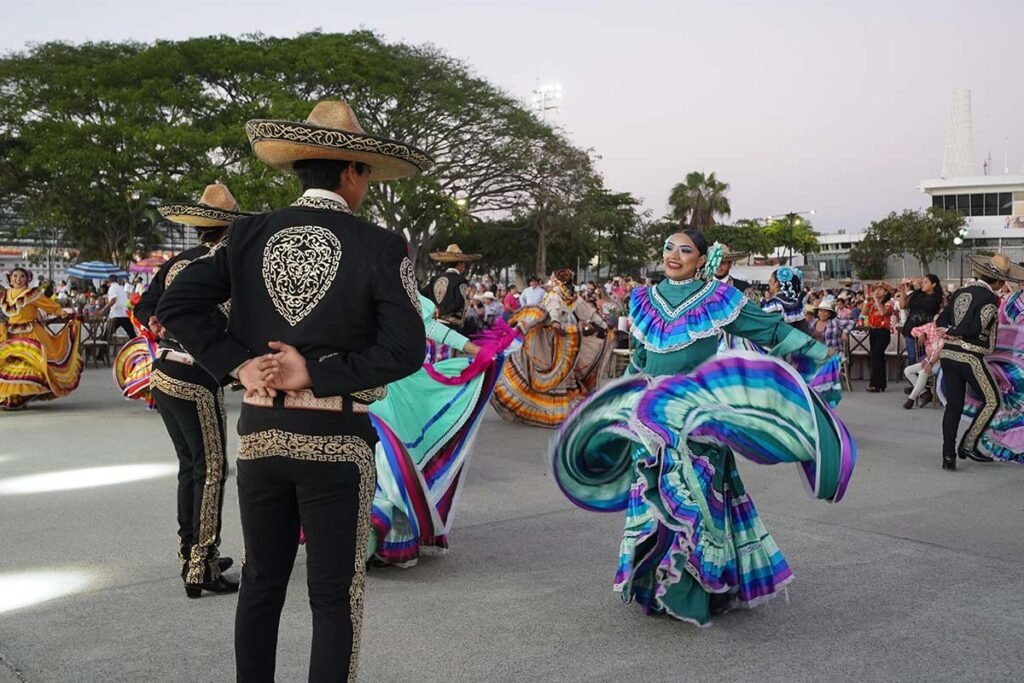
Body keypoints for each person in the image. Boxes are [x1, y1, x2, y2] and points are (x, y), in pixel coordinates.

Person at [157, 100, 429, 681]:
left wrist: (239, 366)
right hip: (334, 439)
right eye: (366, 176)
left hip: (261, 436)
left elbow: (175, 303)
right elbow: (407, 350)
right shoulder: (379, 246)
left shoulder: (249, 232)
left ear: (300, 169)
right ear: (352, 173)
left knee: (261, 583)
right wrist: (317, 373)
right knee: (334, 596)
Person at [550, 229, 855, 626]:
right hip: (652, 419)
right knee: (654, 501)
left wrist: (817, 351)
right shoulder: (643, 299)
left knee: (700, 503)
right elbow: (640, 360)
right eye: (668, 247)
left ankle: (698, 588)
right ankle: (655, 585)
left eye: (685, 250)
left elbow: (771, 331)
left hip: (699, 417)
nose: (674, 255)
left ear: (701, 258)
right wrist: (622, 402)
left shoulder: (721, 299)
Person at [134, 182, 251, 598]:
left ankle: (193, 552)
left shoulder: (177, 263)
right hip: (196, 377)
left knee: (192, 468)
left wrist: (157, 322)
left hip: (164, 373)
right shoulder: (230, 267)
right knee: (211, 471)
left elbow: (144, 305)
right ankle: (200, 565)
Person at [368, 291, 517, 566]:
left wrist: (478, 352)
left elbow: (432, 328)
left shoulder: (401, 291)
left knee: (387, 459)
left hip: (390, 387)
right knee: (378, 458)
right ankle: (370, 535)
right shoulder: (370, 284)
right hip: (368, 383)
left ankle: (378, 537)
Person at [491, 268, 614, 428]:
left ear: (556, 280)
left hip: (553, 343)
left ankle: (541, 409)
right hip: (559, 342)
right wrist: (601, 326)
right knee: (560, 375)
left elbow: (558, 319)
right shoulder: (572, 297)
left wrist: (566, 327)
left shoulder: (555, 296)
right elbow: (589, 314)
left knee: (546, 374)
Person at [935, 254, 1020, 470]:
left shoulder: (960, 292)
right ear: (1000, 282)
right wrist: (956, 332)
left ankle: (948, 455)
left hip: (948, 355)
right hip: (970, 356)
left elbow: (941, 320)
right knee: (993, 400)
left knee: (953, 406)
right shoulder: (990, 299)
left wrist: (948, 331)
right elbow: (974, 329)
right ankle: (968, 444)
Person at [0, 267, 83, 410]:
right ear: (9, 278)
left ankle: (24, 395)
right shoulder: (5, 294)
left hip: (32, 333)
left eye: (21, 277)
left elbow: (49, 306)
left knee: (32, 365)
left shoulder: (33, 294)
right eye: (15, 276)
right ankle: (14, 395)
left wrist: (64, 313)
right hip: (11, 333)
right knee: (10, 365)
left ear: (27, 279)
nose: (18, 279)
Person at [422, 244, 479, 335]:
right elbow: (459, 303)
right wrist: (443, 312)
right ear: (460, 264)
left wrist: (433, 311)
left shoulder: (434, 279)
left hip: (433, 325)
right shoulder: (460, 280)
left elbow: (421, 297)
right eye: (463, 263)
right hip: (450, 327)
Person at [899, 274, 943, 366]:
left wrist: (918, 284)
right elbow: (903, 306)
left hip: (927, 331)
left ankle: (923, 378)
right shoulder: (917, 294)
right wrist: (902, 291)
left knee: (925, 356)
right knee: (912, 357)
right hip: (911, 328)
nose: (923, 284)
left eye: (926, 282)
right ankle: (912, 378)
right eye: (923, 282)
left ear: (933, 284)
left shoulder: (937, 297)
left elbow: (936, 309)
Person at [903, 317, 942, 410]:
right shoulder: (931, 328)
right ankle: (924, 393)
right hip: (929, 359)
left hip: (940, 363)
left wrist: (930, 363)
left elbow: (938, 353)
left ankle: (911, 399)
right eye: (935, 321)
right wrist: (921, 335)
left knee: (923, 372)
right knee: (908, 370)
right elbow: (913, 330)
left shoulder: (945, 335)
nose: (936, 324)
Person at [863, 283, 894, 392]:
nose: (877, 291)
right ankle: (880, 384)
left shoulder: (888, 303)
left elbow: (883, 313)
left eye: (881, 289)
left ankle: (875, 384)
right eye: (877, 289)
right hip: (873, 331)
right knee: (876, 356)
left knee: (876, 354)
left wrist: (876, 300)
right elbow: (863, 313)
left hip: (883, 331)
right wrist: (867, 300)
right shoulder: (872, 303)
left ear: (886, 292)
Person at [98, 274, 134, 339]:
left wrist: (103, 309)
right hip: (125, 314)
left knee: (106, 335)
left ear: (109, 281)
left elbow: (113, 300)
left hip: (116, 314)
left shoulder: (112, 288)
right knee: (132, 335)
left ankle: (103, 349)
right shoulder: (121, 288)